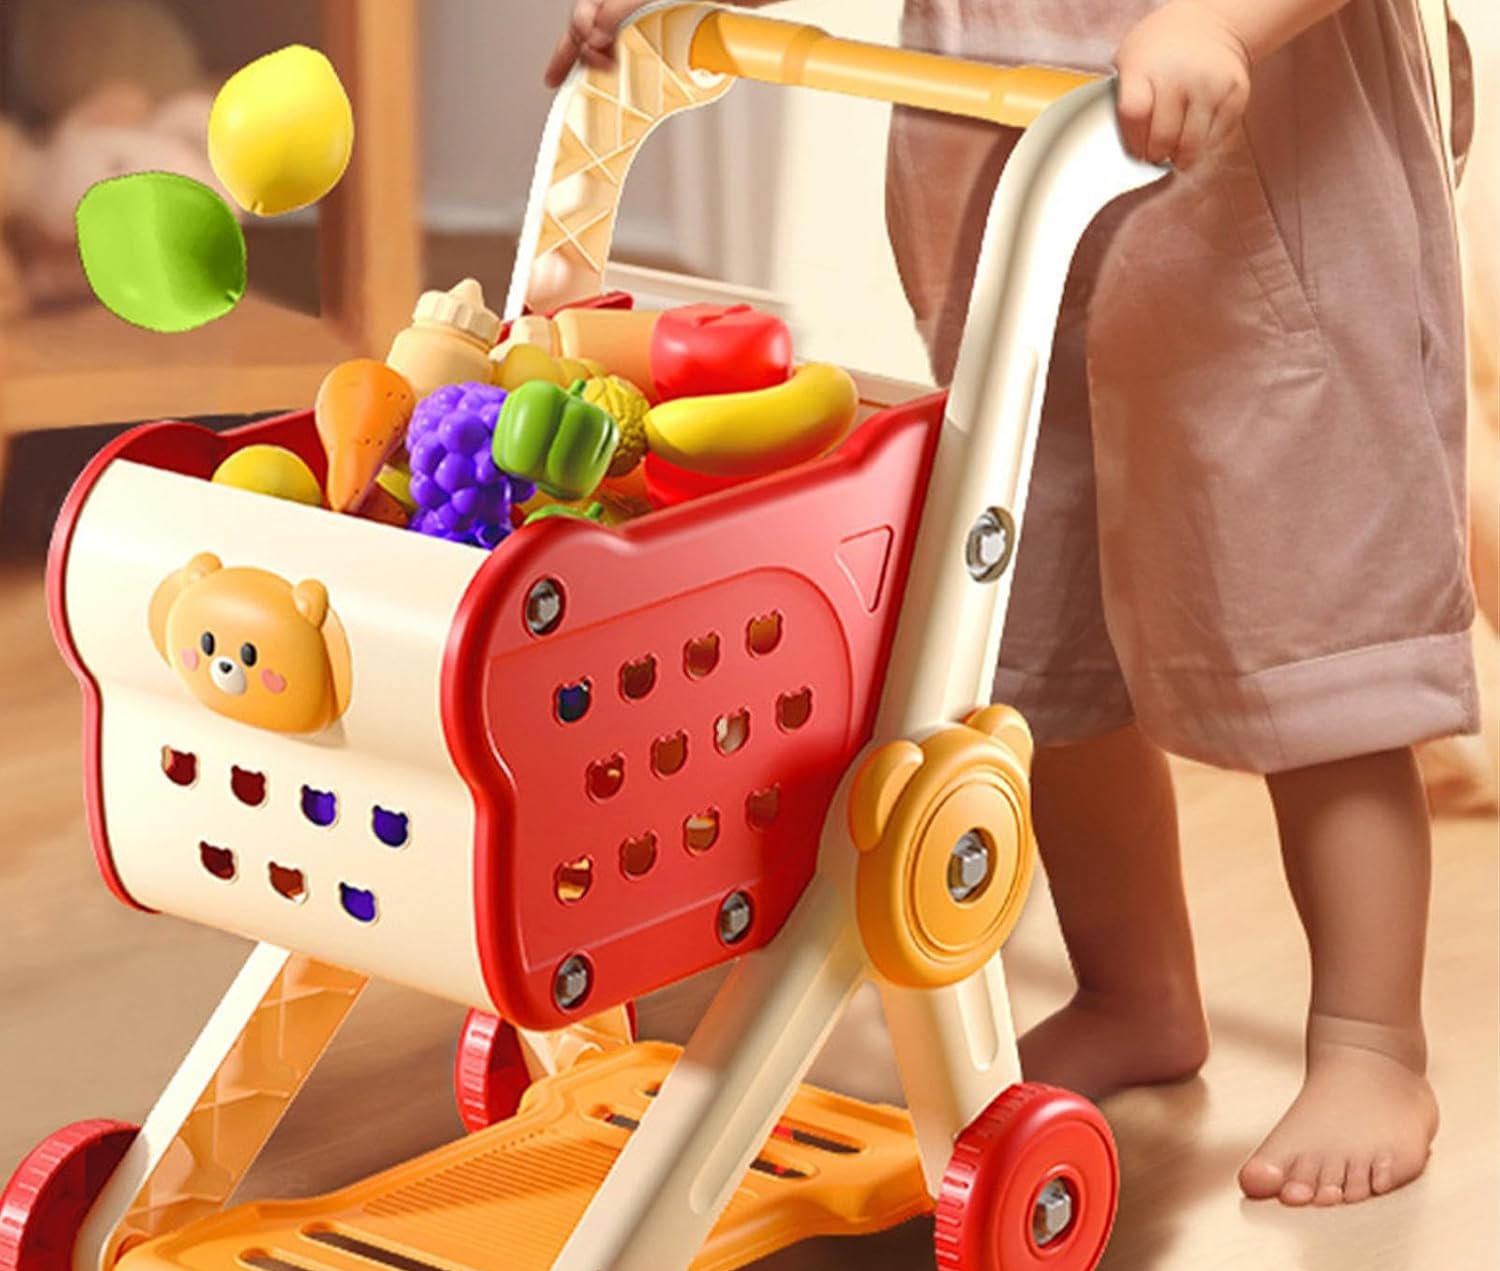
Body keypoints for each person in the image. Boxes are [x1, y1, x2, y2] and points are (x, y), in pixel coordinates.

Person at [546, 0, 1476, 1207]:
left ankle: (1370, 1043)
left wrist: (1221, 26)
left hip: (1260, 183)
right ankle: (1131, 990)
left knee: (1314, 632)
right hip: (1006, 178)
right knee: (1037, 630)